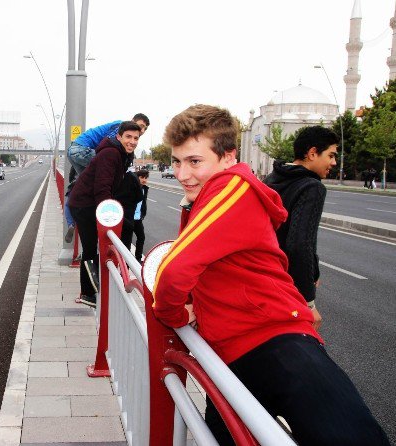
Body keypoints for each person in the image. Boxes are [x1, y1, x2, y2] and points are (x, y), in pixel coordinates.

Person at [152, 104, 388, 446]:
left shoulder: (231, 188)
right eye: (177, 161)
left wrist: (172, 314)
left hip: (278, 343)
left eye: (194, 161)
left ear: (229, 157)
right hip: (241, 351)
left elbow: (175, 270)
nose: (182, 173)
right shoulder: (205, 197)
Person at [264, 126, 338, 330]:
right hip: (286, 284)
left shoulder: (272, 178)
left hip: (261, 276)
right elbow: (299, 244)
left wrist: (313, 269)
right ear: (312, 153)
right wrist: (308, 302)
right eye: (331, 155)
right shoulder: (311, 187)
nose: (334, 162)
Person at [67, 121, 141, 308]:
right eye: (128, 137)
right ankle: (88, 293)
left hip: (87, 202)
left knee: (92, 247)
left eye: (136, 138)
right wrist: (108, 219)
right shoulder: (111, 154)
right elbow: (102, 188)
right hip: (84, 205)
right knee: (91, 248)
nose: (132, 141)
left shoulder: (122, 154)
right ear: (119, 136)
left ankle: (91, 289)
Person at [64, 114, 150, 242]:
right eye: (141, 126)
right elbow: (107, 147)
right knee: (105, 168)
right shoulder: (121, 126)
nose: (142, 130)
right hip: (82, 149)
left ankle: (71, 222)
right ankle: (95, 210)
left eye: (145, 129)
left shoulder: (122, 129)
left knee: (83, 185)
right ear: (132, 121)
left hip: (74, 150)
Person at [113, 169, 143, 254]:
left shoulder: (112, 175)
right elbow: (140, 196)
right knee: (126, 246)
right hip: (128, 216)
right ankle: (125, 265)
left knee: (111, 242)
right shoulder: (132, 177)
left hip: (113, 215)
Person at [133, 169, 149, 262]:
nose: (144, 180)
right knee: (126, 242)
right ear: (137, 177)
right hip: (130, 218)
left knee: (141, 237)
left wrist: (142, 213)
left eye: (146, 178)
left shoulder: (144, 189)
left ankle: (138, 258)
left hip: (138, 219)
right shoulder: (133, 187)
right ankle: (125, 263)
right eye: (142, 177)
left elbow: (143, 203)